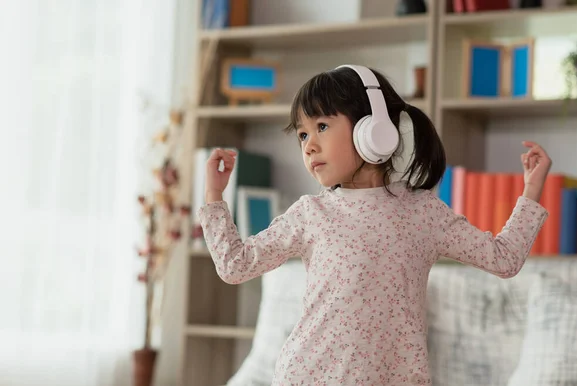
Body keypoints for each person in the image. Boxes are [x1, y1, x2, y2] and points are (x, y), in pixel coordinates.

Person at [197, 64, 551, 385]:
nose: (309, 145)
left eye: (321, 126)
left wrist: (532, 188)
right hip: (306, 377)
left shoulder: (423, 213)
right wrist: (214, 194)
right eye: (303, 135)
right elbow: (235, 266)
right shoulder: (310, 213)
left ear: (375, 130)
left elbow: (504, 260)